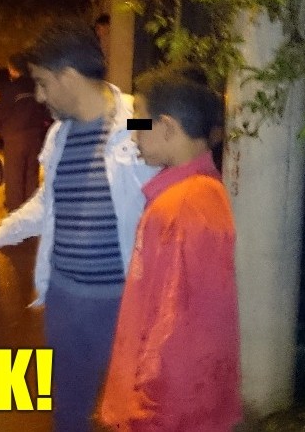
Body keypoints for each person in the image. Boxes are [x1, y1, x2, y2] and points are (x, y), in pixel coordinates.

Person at [0, 19, 158, 432]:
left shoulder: (136, 121)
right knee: (68, 407)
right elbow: (46, 203)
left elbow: (169, 171)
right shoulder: (59, 136)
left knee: (132, 410)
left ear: (68, 76)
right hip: (64, 297)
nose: (38, 95)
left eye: (42, 83)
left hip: (123, 301)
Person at [95, 68, 241, 431]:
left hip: (166, 410)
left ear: (167, 127)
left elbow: (172, 327)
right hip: (186, 403)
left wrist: (144, 411)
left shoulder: (180, 207)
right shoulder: (202, 192)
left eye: (139, 122)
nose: (134, 135)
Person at [0, 52, 52, 211]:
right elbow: (46, 111)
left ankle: (15, 213)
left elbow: (0, 113)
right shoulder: (37, 86)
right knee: (31, 176)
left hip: (15, 139)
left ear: (12, 69)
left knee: (14, 178)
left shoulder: (10, 88)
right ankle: (31, 212)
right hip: (35, 137)